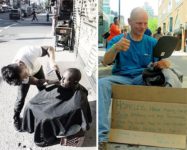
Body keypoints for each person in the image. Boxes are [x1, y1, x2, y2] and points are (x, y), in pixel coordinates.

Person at [98, 7, 171, 149]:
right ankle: (102, 138)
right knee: (102, 84)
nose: (143, 27)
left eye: (145, 23)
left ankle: (162, 129)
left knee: (169, 77)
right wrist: (115, 49)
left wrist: (162, 64)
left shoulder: (152, 42)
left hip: (143, 78)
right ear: (130, 22)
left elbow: (156, 65)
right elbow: (105, 62)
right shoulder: (119, 40)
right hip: (121, 78)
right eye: (139, 23)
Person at [21, 68, 92, 147]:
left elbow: (76, 116)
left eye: (65, 79)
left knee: (44, 118)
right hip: (49, 111)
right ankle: (32, 125)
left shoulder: (78, 100)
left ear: (75, 82)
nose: (61, 80)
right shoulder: (62, 84)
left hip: (68, 126)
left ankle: (53, 139)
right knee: (30, 105)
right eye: (62, 77)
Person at [1, 45, 60, 131]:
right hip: (26, 73)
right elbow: (38, 82)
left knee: (43, 92)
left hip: (37, 69)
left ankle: (47, 113)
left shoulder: (28, 52)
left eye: (25, 75)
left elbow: (49, 48)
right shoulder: (21, 77)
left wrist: (52, 61)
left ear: (20, 64)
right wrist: (52, 81)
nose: (26, 78)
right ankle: (16, 118)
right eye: (23, 78)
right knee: (21, 97)